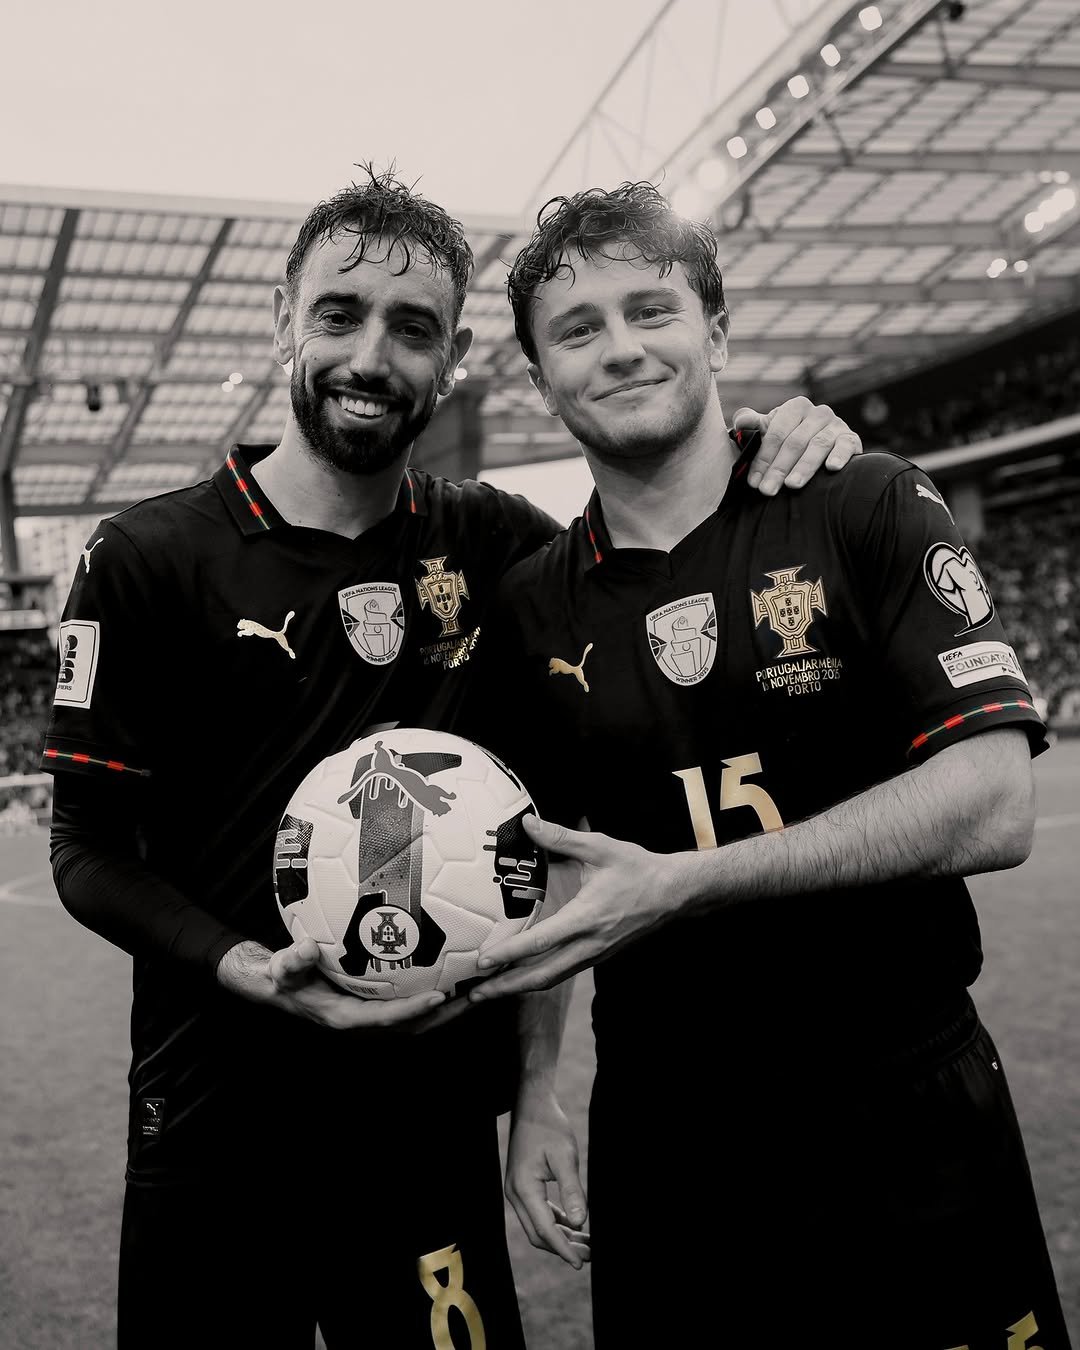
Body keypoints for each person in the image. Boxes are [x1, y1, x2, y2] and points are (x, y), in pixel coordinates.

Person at [41, 166, 862, 1349]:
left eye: (412, 328)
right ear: (284, 317)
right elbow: (84, 850)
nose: (372, 357)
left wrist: (782, 435)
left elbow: (664, 534)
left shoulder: (493, 546)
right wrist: (238, 966)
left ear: (454, 354)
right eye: (339, 314)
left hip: (424, 1123)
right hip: (214, 1119)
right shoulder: (144, 559)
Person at [467, 182, 1072, 1348]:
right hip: (669, 1138)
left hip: (903, 1096)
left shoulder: (863, 503)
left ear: (718, 330)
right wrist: (535, 1093)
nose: (624, 348)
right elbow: (542, 874)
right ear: (542, 383)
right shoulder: (533, 609)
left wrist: (690, 881)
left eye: (654, 308)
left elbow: (996, 802)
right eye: (579, 330)